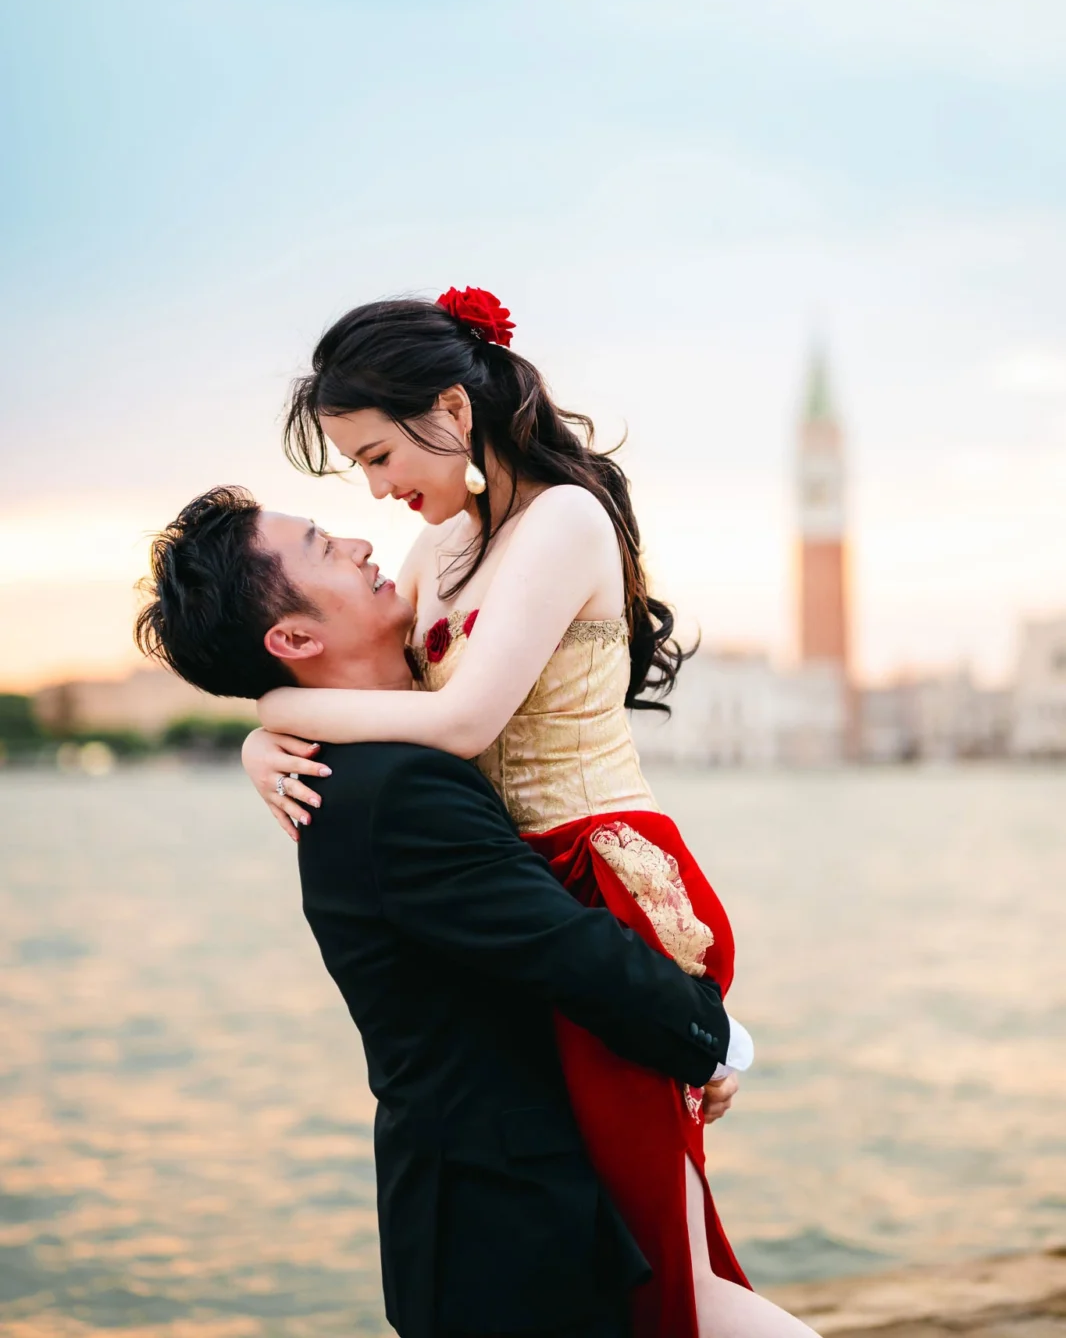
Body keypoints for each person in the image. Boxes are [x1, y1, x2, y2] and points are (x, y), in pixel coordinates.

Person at [239, 289, 809, 1338]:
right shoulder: (437, 549)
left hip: (608, 886)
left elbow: (455, 722)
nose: (375, 488)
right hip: (527, 896)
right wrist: (262, 737)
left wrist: (268, 707)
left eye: (376, 455)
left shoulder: (561, 517)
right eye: (357, 468)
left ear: (450, 410)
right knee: (630, 1260)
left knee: (672, 1267)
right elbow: (371, 690)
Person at [135, 485, 745, 1338]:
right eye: (318, 545)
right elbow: (563, 947)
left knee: (706, 1305)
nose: (356, 541)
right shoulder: (396, 788)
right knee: (709, 1309)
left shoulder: (361, 764)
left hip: (489, 1214)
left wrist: (262, 723)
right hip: (506, 1233)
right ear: (296, 639)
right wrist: (710, 1038)